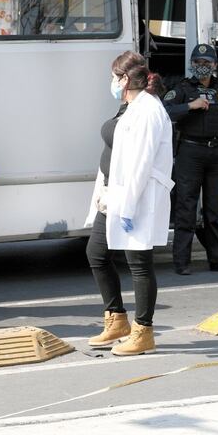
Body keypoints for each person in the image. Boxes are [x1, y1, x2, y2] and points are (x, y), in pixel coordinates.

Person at [85, 51, 173, 356]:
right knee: (96, 253)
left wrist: (130, 205)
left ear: (125, 79)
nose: (111, 81)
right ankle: (117, 319)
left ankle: (143, 331)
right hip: (113, 194)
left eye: (114, 76)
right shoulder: (129, 106)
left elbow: (141, 163)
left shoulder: (149, 110)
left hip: (137, 196)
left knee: (139, 264)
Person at [164, 43, 218, 275]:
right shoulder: (182, 88)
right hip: (190, 153)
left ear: (215, 65)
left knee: (214, 210)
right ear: (192, 65)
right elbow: (163, 110)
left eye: (207, 63)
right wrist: (190, 106)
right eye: (198, 63)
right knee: (186, 207)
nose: (202, 67)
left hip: (217, 154)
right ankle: (182, 262)